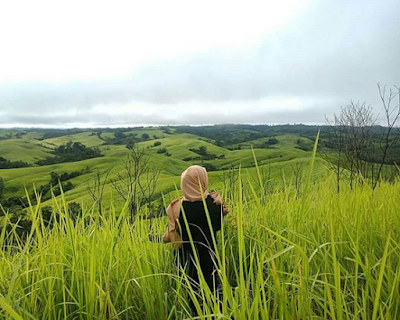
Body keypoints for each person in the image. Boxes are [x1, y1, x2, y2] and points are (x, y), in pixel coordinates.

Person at [162, 165, 229, 313]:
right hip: (209, 255)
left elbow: (171, 235)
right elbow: (217, 226)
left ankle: (194, 314)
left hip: (186, 258)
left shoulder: (176, 207)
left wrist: (161, 238)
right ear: (203, 181)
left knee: (191, 292)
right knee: (212, 290)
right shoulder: (215, 204)